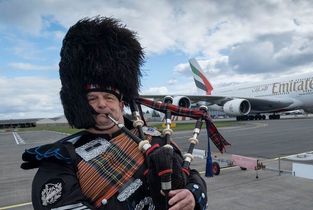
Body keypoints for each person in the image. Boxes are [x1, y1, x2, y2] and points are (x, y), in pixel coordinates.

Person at [21, 16, 207, 210]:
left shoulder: (156, 140)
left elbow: (190, 175)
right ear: (80, 104)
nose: (102, 104)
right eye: (93, 98)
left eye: (109, 98)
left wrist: (192, 194)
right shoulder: (61, 157)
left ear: (121, 102)